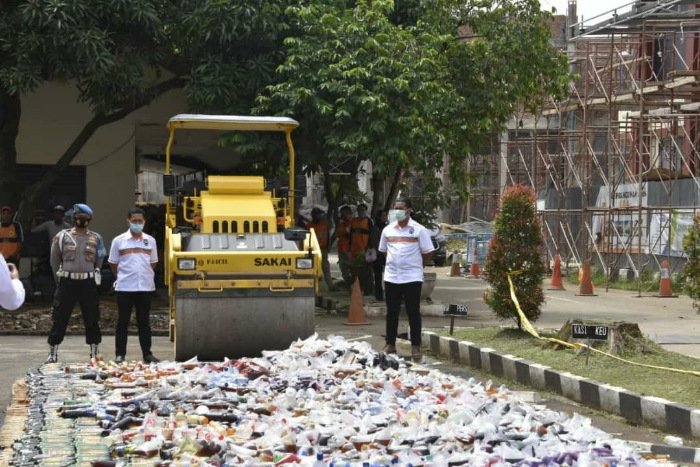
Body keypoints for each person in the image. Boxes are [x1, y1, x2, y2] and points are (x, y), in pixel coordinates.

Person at [46, 203, 106, 363]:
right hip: (67, 282)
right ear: (73, 218)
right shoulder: (62, 237)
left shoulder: (96, 238)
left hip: (87, 282)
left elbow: (99, 260)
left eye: (85, 218)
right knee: (59, 317)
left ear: (90, 219)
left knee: (92, 317)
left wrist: (95, 275)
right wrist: (59, 280)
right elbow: (54, 261)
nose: (82, 220)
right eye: (79, 217)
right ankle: (53, 352)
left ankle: (94, 351)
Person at [378, 198, 434, 360]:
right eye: (395, 208)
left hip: (412, 277)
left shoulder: (418, 230)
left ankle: (415, 346)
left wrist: (417, 267)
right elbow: (384, 251)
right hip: (392, 277)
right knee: (392, 312)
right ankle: (390, 344)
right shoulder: (388, 230)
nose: (397, 211)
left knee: (413, 312)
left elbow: (428, 252)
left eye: (400, 208)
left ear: (409, 210)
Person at [108, 207, 160, 363]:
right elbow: (113, 263)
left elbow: (153, 262)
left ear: (144, 222)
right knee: (122, 321)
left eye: (140, 221)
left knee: (144, 322)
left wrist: (143, 274)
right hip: (125, 287)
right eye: (134, 221)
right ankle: (120, 354)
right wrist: (122, 277)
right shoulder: (119, 241)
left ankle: (147, 354)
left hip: (145, 287)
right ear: (128, 221)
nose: (137, 223)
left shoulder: (150, 241)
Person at [350, 203, 373, 295]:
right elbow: (350, 236)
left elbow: (372, 236)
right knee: (356, 271)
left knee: (366, 272)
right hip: (354, 251)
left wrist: (369, 249)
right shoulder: (353, 221)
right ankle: (357, 289)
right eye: (359, 210)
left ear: (365, 211)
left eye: (362, 210)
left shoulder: (369, 222)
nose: (361, 212)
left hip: (365, 250)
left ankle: (368, 290)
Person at [308, 207, 333, 290]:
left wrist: (328, 246)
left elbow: (328, 236)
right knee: (313, 268)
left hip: (323, 249)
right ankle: (314, 286)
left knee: (325, 267)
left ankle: (331, 286)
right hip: (313, 250)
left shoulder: (325, 224)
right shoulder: (309, 226)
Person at [369, 209, 388, 301]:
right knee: (378, 276)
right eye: (383, 216)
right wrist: (381, 251)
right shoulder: (375, 228)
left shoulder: (388, 227)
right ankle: (379, 295)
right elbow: (375, 242)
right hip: (378, 255)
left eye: (385, 216)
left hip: (387, 255)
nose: (385, 218)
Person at [336, 205, 354, 287]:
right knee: (343, 269)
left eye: (343, 214)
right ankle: (349, 285)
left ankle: (353, 285)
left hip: (350, 250)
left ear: (349, 213)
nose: (342, 216)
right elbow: (339, 234)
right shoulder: (341, 224)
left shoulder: (353, 224)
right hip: (341, 250)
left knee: (351, 269)